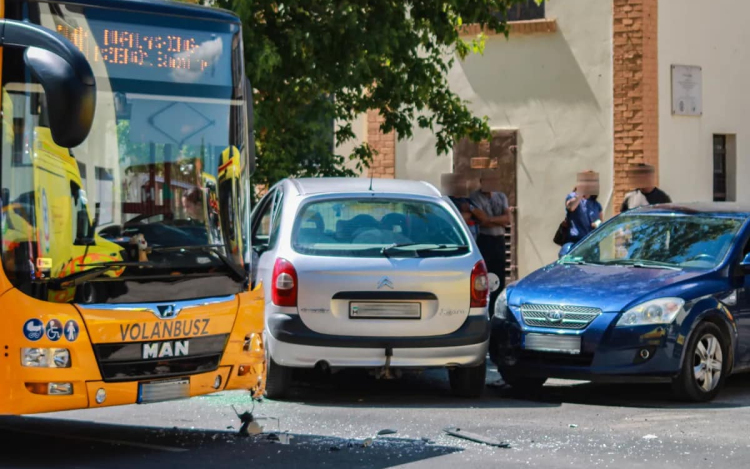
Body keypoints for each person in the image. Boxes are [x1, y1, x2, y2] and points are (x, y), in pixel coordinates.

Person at [470, 174, 511, 312]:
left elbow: (507, 219)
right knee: (485, 276)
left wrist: (490, 220)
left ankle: (497, 309)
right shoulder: (475, 197)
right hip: (485, 240)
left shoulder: (501, 197)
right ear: (481, 182)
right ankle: (485, 308)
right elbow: (482, 220)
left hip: (499, 240)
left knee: (499, 275)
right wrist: (496, 220)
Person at [441, 173, 487, 240]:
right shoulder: (447, 200)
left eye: (463, 183)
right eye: (459, 183)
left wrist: (470, 208)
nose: (462, 186)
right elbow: (452, 219)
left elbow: (483, 217)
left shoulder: (467, 201)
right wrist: (469, 214)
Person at [565, 170, 598, 243]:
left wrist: (597, 224)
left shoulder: (594, 203)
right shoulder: (572, 196)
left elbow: (599, 220)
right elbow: (571, 207)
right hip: (576, 244)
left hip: (591, 244)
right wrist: (581, 192)